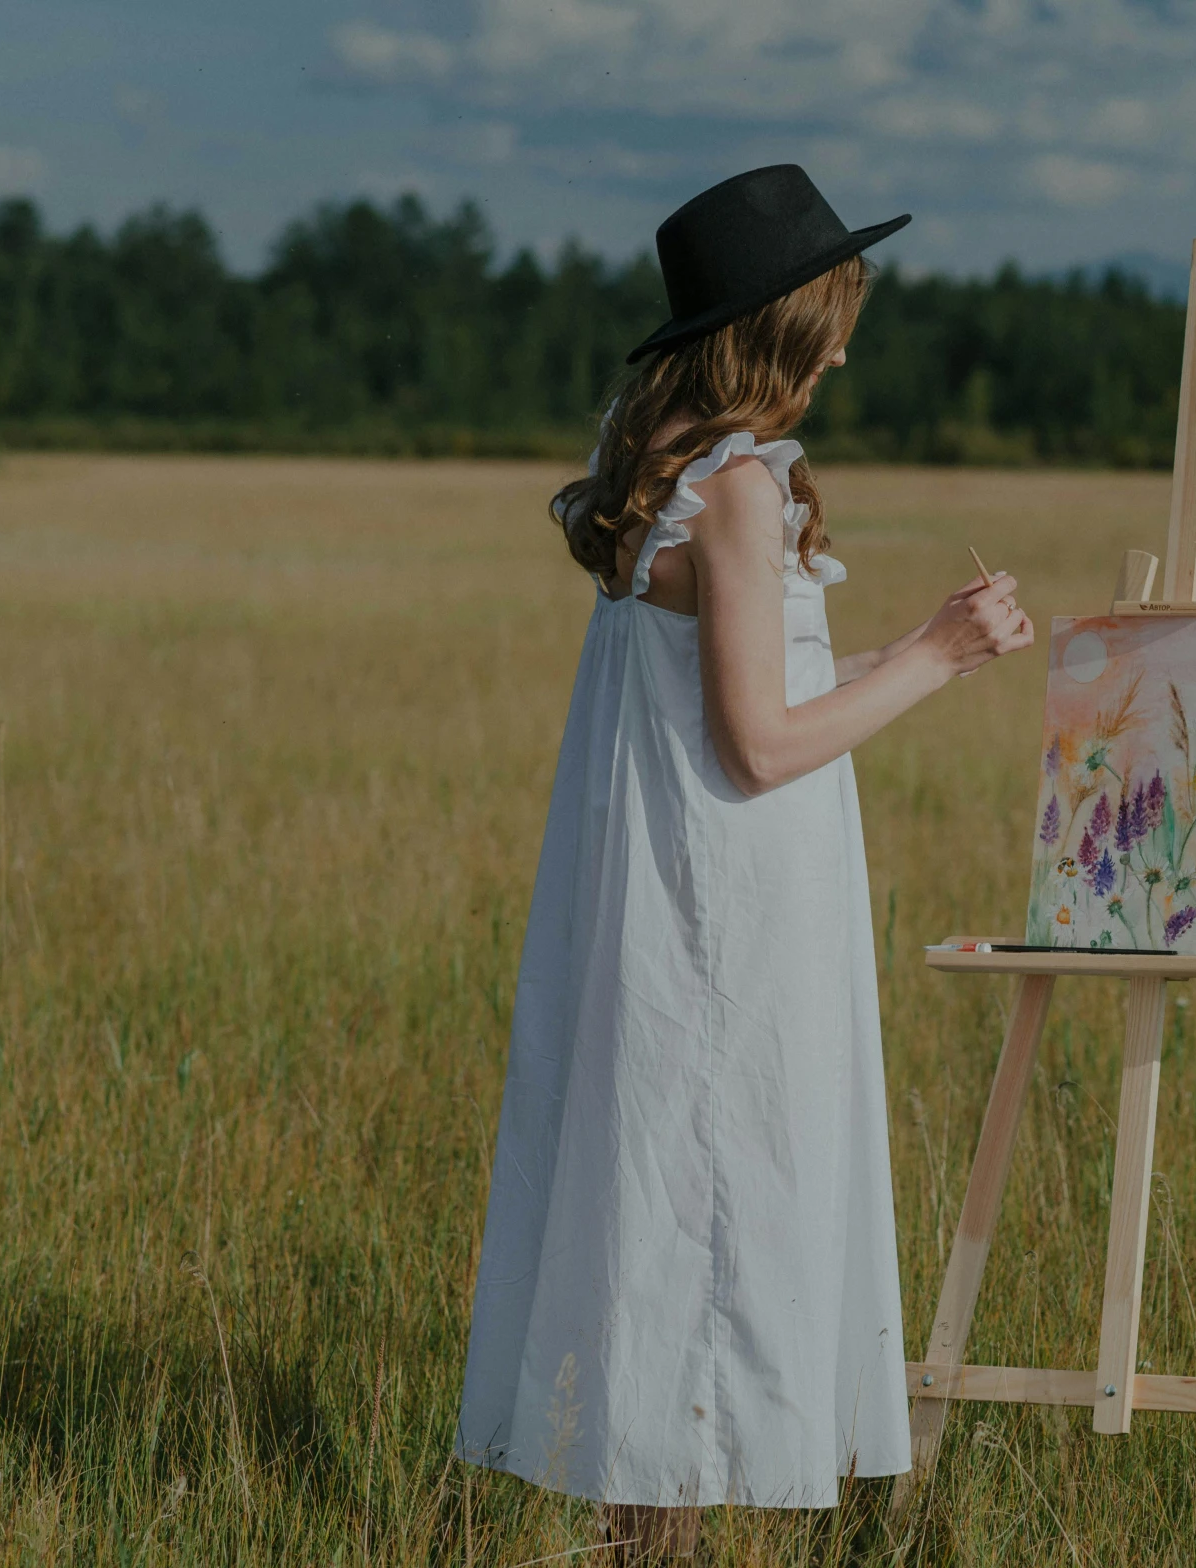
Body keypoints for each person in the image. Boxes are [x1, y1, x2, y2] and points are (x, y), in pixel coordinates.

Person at [453, 165, 1033, 1560]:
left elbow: (743, 704)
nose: (846, 347)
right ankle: (663, 1530)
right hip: (728, 907)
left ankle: (645, 1524)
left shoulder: (674, 466)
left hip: (677, 890)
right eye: (834, 318)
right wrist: (942, 661)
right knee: (721, 1190)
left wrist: (908, 644)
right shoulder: (739, 494)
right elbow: (763, 745)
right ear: (781, 330)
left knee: (666, 1191)